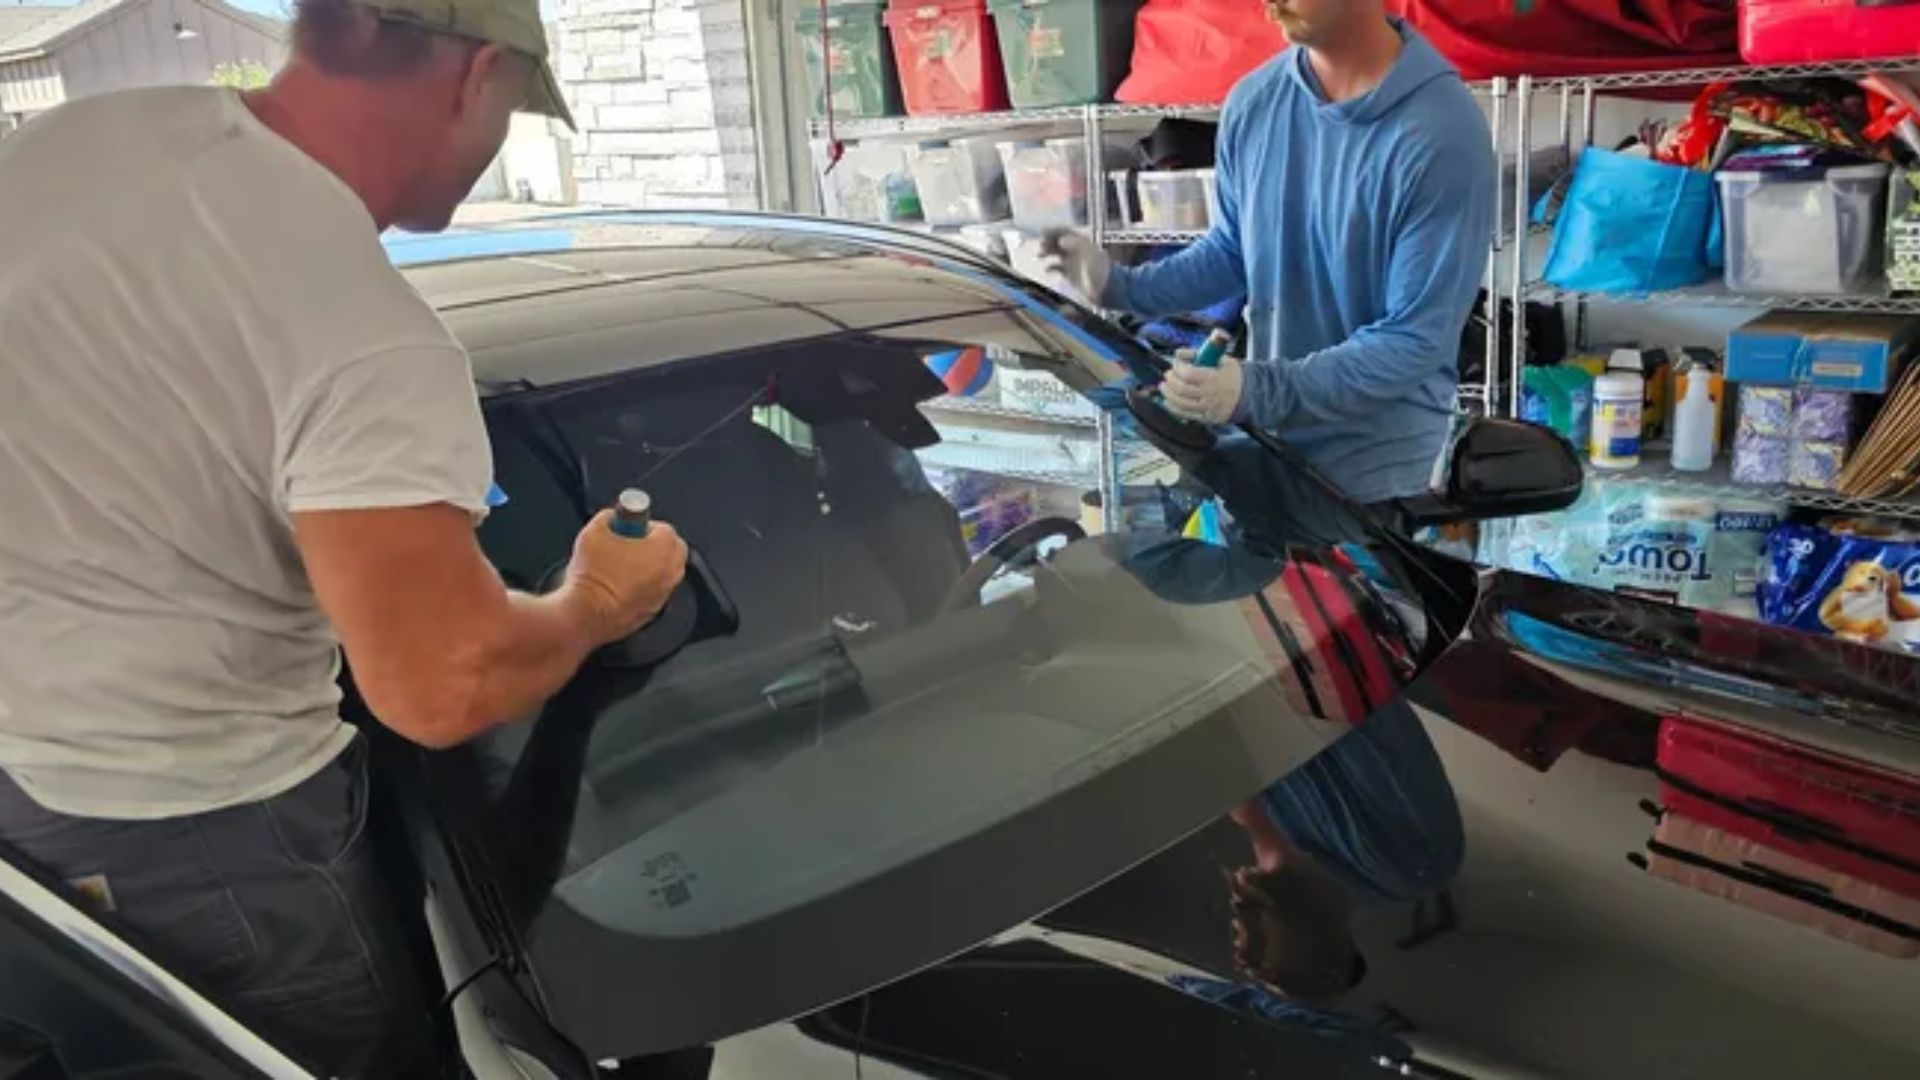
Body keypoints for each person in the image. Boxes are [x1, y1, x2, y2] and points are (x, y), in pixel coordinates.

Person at [0, 0, 687, 1074]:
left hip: (33, 794)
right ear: (478, 77)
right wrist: (598, 602)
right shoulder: (364, 334)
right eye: (515, 105)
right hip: (211, 832)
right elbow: (443, 686)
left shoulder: (80, 143)